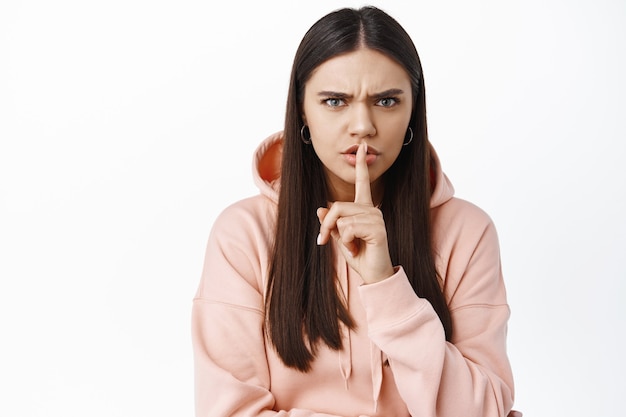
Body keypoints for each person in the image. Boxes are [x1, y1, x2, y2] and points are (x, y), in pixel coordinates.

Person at [192, 6, 520, 417]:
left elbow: (482, 410)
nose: (362, 124)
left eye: (386, 101)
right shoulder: (244, 234)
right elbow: (230, 410)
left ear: (412, 112)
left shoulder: (467, 232)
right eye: (335, 101)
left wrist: (385, 284)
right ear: (302, 112)